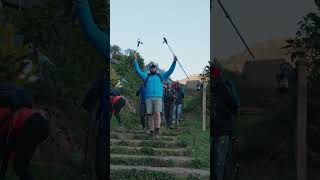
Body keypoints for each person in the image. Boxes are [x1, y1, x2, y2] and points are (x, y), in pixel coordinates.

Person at [0, 84, 49, 180]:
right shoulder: (9, 108)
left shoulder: (4, 112)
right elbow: (6, 151)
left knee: (19, 166)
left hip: (31, 125)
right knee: (18, 164)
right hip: (39, 123)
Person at [133, 53, 177, 140]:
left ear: (156, 69)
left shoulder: (161, 76)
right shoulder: (146, 77)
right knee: (150, 115)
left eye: (154, 67)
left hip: (158, 98)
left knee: (157, 114)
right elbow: (138, 70)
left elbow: (170, 71)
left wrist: (174, 62)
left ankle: (157, 132)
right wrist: (135, 60)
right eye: (151, 67)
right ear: (150, 69)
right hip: (148, 98)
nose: (153, 68)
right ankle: (151, 132)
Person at [211, 67, 240, 180]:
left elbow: (233, 106)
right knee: (218, 163)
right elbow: (234, 107)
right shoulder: (223, 88)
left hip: (222, 131)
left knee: (218, 163)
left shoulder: (224, 88)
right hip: (221, 131)